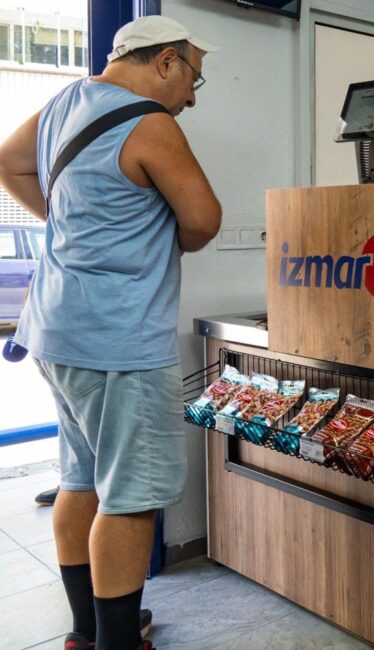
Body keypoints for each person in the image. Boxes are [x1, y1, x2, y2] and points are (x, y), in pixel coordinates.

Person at [0, 16, 221, 650]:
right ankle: (119, 644)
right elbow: (203, 220)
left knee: (80, 479)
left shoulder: (67, 100)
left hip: (56, 330)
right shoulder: (152, 124)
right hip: (119, 339)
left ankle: (86, 631)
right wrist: (147, 236)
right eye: (194, 76)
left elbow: (10, 164)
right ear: (166, 62)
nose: (193, 95)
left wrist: (74, 222)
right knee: (129, 495)